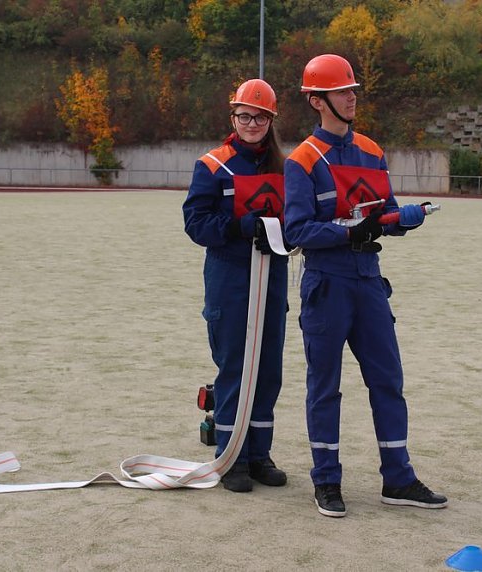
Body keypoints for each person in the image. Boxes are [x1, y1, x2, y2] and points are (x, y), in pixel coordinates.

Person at [283, 54, 447, 517]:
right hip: (327, 281)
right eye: (341, 91)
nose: (352, 96)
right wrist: (348, 233)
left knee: (388, 381)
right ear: (317, 101)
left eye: (353, 89)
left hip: (369, 280)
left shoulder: (373, 151)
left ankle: (398, 479)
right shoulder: (301, 160)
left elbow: (383, 218)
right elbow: (297, 232)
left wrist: (403, 219)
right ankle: (327, 482)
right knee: (324, 387)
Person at [183, 78, 288, 493]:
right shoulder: (212, 165)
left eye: (260, 117)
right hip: (230, 276)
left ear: (270, 120)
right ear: (233, 117)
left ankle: (260, 455)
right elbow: (195, 222)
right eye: (245, 115)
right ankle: (232, 457)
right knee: (235, 368)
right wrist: (237, 227)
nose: (252, 123)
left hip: (274, 275)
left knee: (268, 370)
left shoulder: (285, 165)